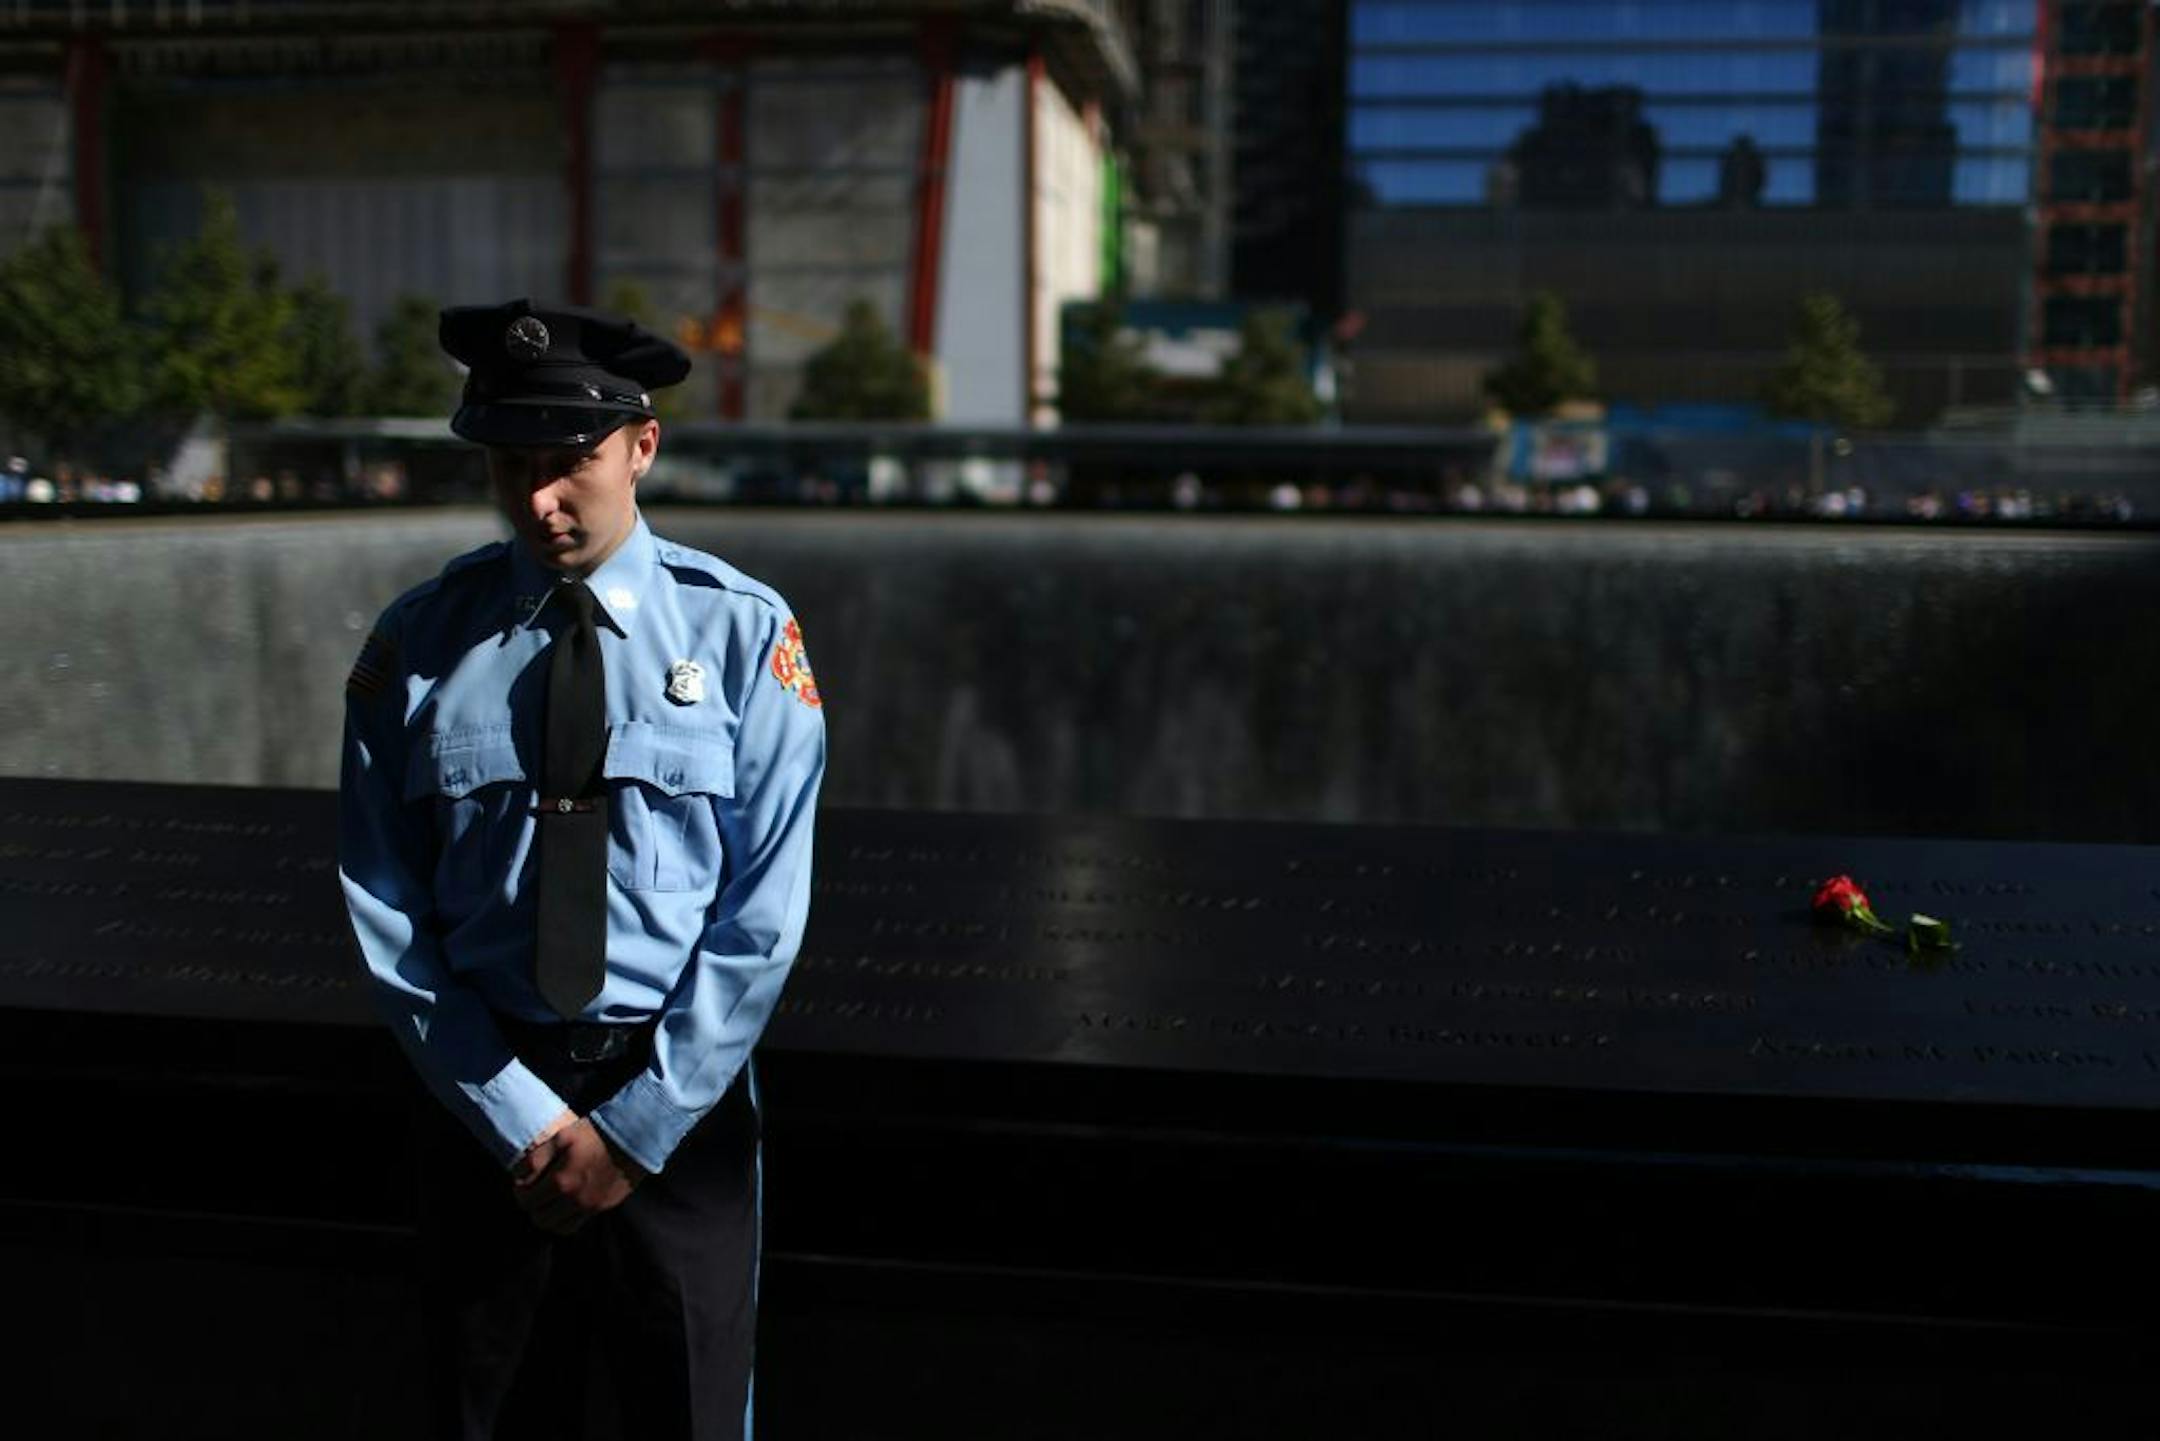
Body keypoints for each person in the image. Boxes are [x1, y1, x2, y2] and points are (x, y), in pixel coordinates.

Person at [337, 299, 827, 1440]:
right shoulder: (419, 644)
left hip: (678, 1105)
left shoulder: (746, 636)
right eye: (513, 466)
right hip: (483, 1106)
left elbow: (764, 911)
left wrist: (637, 1129)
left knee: (693, 1417)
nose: (541, 499)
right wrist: (512, 1112)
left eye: (573, 463)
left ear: (641, 447)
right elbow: (386, 903)